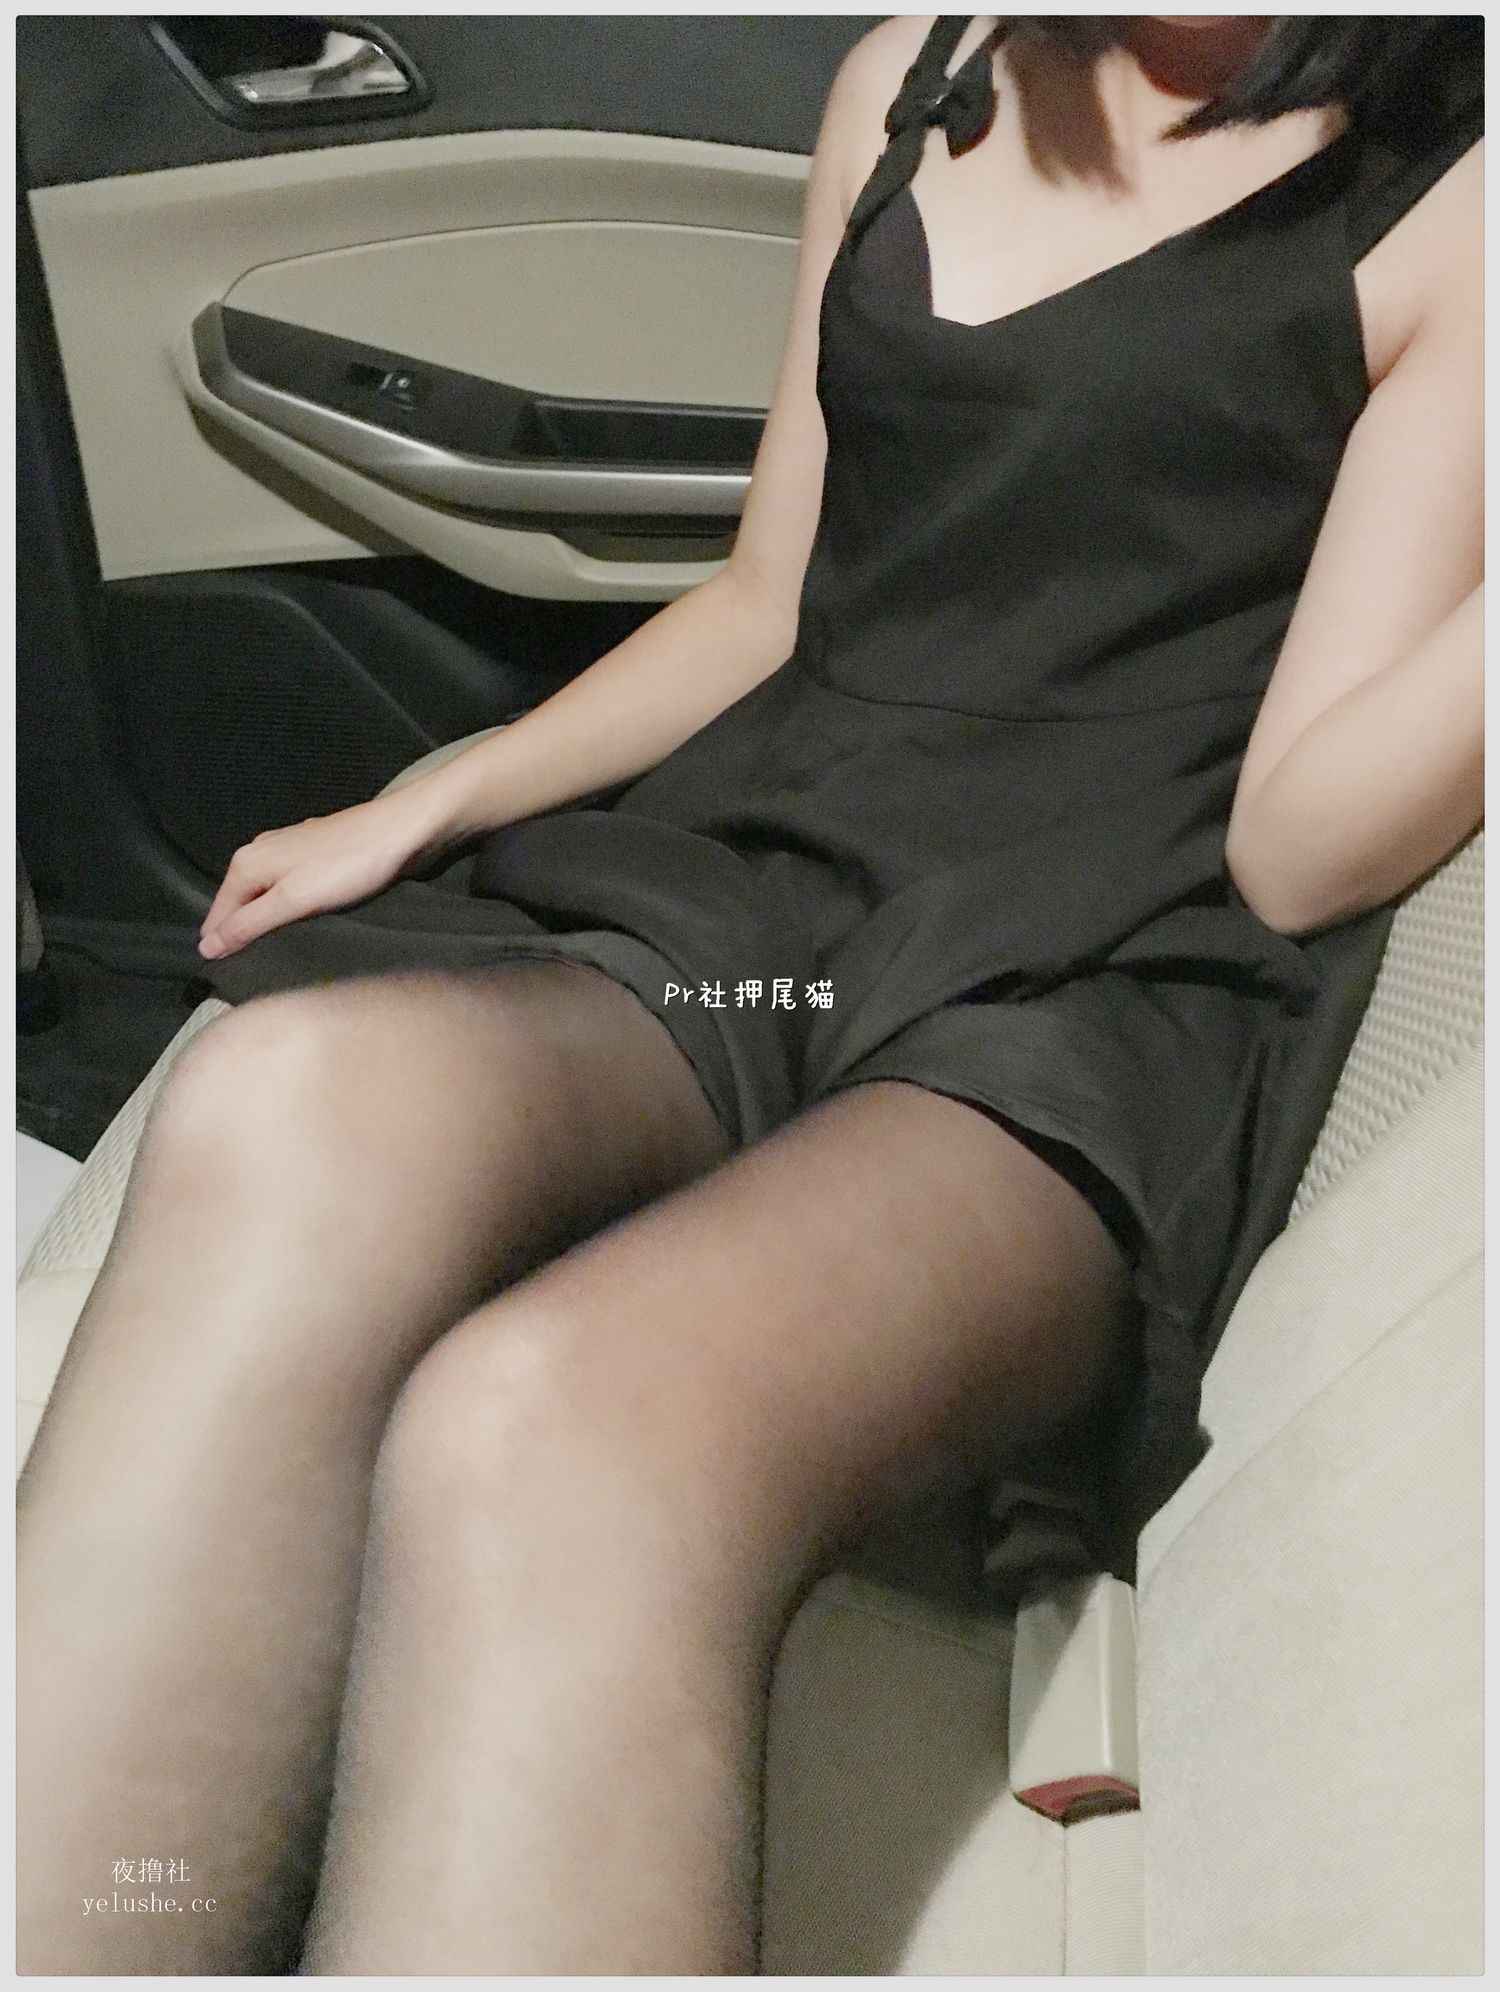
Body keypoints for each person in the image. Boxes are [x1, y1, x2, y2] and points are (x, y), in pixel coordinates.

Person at [17, 13, 1483, 1975]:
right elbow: (767, 601)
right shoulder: (920, 70)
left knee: (550, 1427)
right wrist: (435, 794)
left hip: (1076, 985)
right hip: (769, 880)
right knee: (283, 1102)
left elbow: (1301, 840)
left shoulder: (1451, 190)